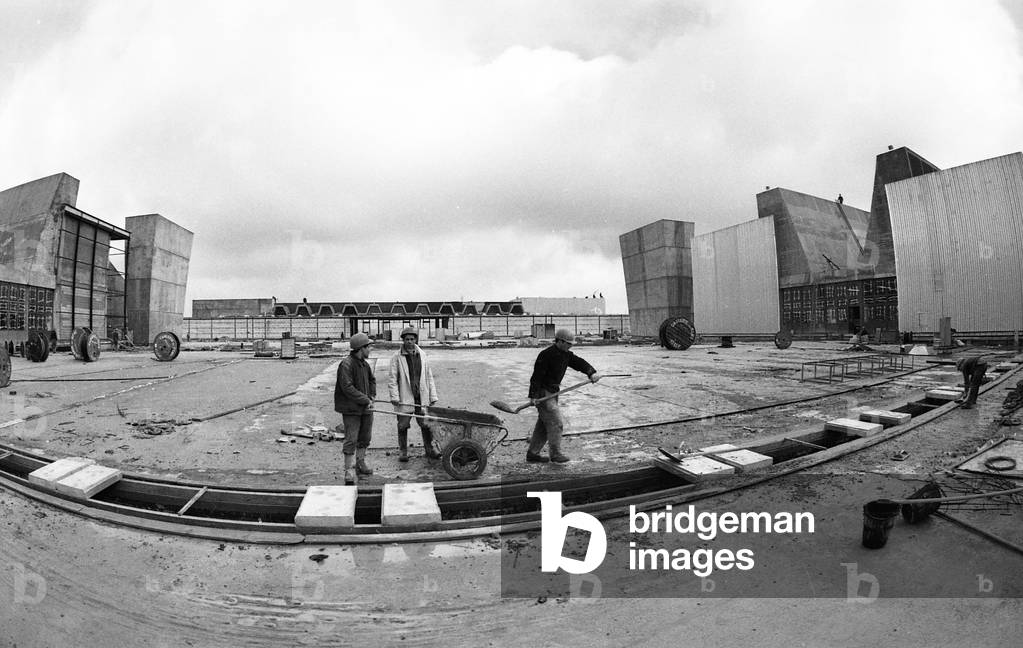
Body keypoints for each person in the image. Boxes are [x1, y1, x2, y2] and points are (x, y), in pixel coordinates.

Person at [526, 328, 601, 463]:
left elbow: (579, 363)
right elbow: (536, 377)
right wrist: (533, 396)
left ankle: (533, 453)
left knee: (544, 425)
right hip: (543, 394)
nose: (570, 346)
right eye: (568, 343)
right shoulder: (546, 354)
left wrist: (591, 372)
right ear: (559, 341)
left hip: (553, 393)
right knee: (556, 423)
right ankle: (555, 454)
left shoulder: (566, 355)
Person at [388, 327, 440, 462]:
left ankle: (429, 449)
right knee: (403, 425)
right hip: (405, 397)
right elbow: (392, 379)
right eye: (407, 339)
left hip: (421, 396)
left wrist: (432, 396)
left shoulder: (422, 355)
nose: (410, 342)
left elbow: (429, 377)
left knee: (426, 424)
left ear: (416, 339)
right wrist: (394, 397)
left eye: (412, 339)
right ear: (403, 341)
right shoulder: (396, 357)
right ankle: (403, 451)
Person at [335, 332, 376, 484]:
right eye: (368, 347)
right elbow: (347, 387)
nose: (370, 350)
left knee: (365, 437)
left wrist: (372, 396)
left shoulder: (365, 364)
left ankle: (360, 462)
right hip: (351, 409)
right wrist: (365, 399)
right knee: (351, 439)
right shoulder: (346, 364)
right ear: (361, 348)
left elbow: (372, 380)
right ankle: (348, 470)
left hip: (366, 407)